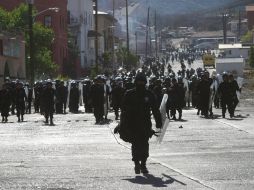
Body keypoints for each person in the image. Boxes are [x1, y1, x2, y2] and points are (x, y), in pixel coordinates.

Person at [120, 72, 162, 174]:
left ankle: (143, 164)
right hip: (132, 124)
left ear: (145, 82)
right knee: (135, 144)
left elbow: (155, 109)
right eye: (139, 81)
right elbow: (124, 110)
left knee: (144, 144)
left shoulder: (149, 94)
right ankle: (136, 164)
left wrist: (159, 122)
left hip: (145, 123)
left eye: (142, 81)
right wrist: (122, 125)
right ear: (135, 82)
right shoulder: (129, 94)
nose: (141, 83)